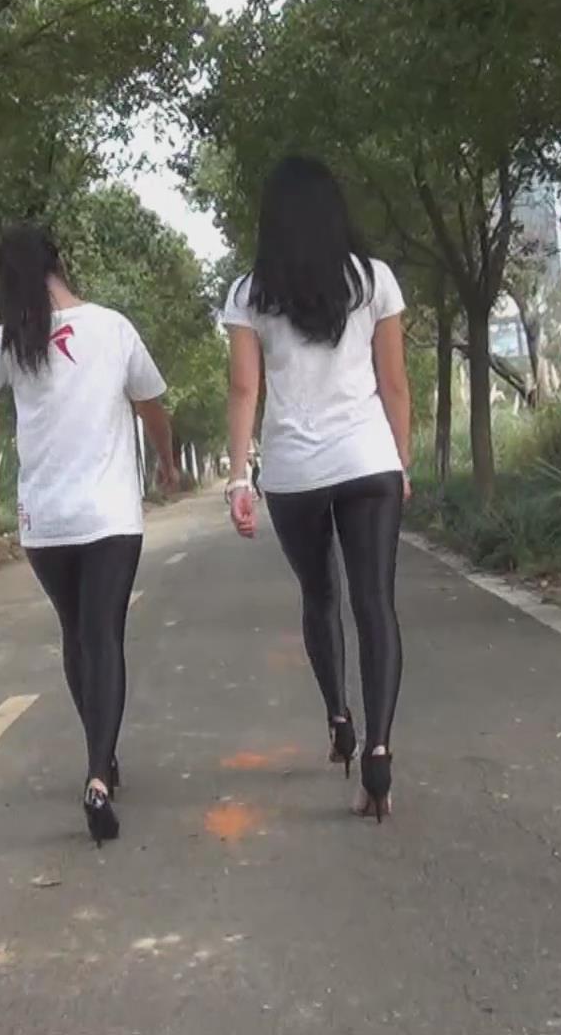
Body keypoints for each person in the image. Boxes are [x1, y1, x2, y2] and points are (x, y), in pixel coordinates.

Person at [0, 224, 180, 846]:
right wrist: (167, 462)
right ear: (60, 262)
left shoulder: (14, 339)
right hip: (109, 519)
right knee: (104, 636)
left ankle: (101, 759)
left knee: (77, 636)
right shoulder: (112, 327)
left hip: (46, 524)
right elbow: (152, 405)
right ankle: (98, 774)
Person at [219, 155, 414, 823]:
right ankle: (380, 751)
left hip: (294, 472)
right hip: (368, 461)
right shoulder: (374, 280)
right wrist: (402, 461)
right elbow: (394, 384)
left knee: (320, 595)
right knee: (375, 603)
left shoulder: (250, 293)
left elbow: (244, 389)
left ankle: (338, 717)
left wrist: (239, 476)